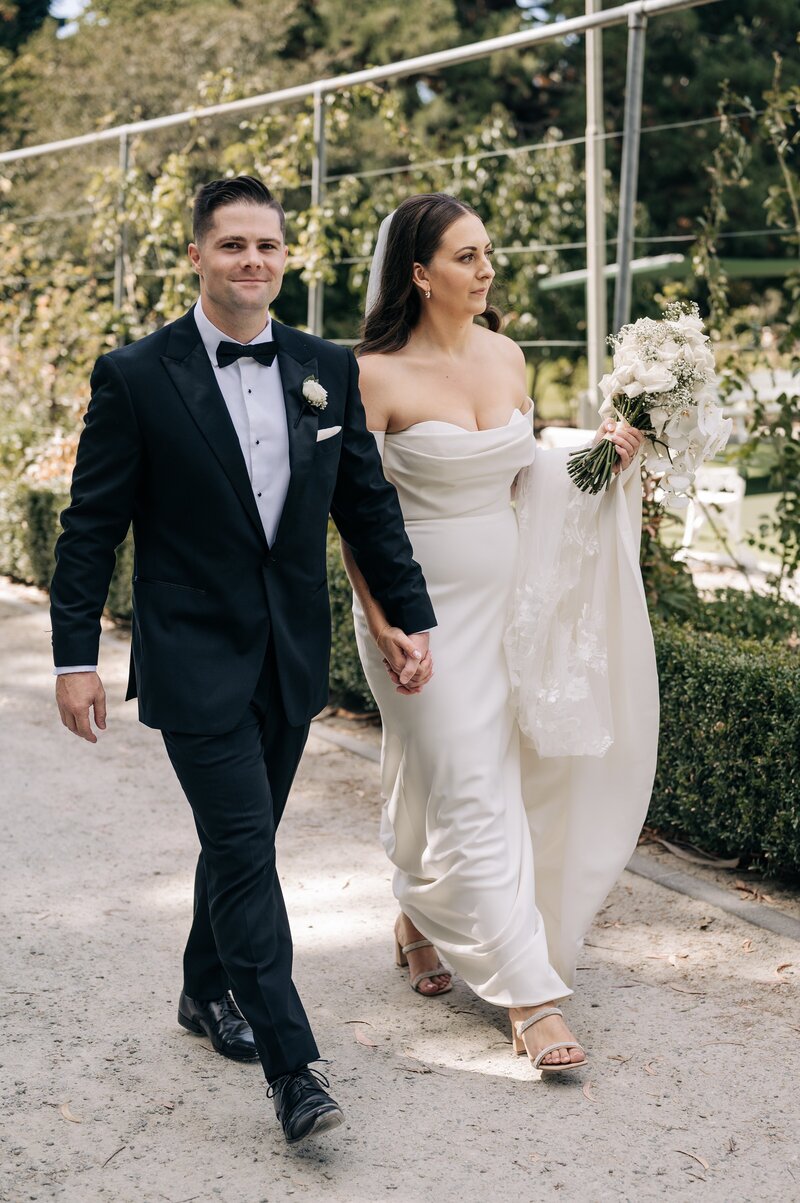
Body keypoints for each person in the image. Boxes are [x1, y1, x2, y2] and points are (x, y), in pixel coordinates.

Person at [50, 175, 436, 1142]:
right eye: (232, 245)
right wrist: (74, 655)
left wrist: (409, 613)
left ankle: (200, 988)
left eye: (266, 245)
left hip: (289, 653)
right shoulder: (136, 375)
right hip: (192, 657)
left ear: (285, 256)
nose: (251, 261)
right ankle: (292, 1065)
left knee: (242, 841)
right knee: (242, 846)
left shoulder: (323, 366)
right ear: (197, 256)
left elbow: (367, 503)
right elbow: (91, 524)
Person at [342, 193, 657, 1074]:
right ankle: (531, 995)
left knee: (478, 771)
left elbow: (527, 478)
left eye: (488, 254)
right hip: (415, 612)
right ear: (418, 272)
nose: (487, 272)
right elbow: (355, 514)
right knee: (469, 776)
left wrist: (600, 461)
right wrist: (382, 620)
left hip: (509, 601)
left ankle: (416, 908)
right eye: (466, 257)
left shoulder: (508, 355)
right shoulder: (373, 374)